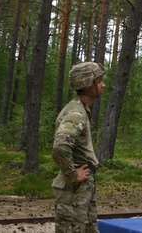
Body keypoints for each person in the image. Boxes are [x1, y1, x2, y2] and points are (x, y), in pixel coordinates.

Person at [51, 62, 105, 233]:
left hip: (81, 188)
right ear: (87, 84)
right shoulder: (76, 113)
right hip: (74, 190)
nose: (103, 85)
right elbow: (60, 146)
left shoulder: (80, 109)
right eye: (99, 81)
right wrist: (72, 175)